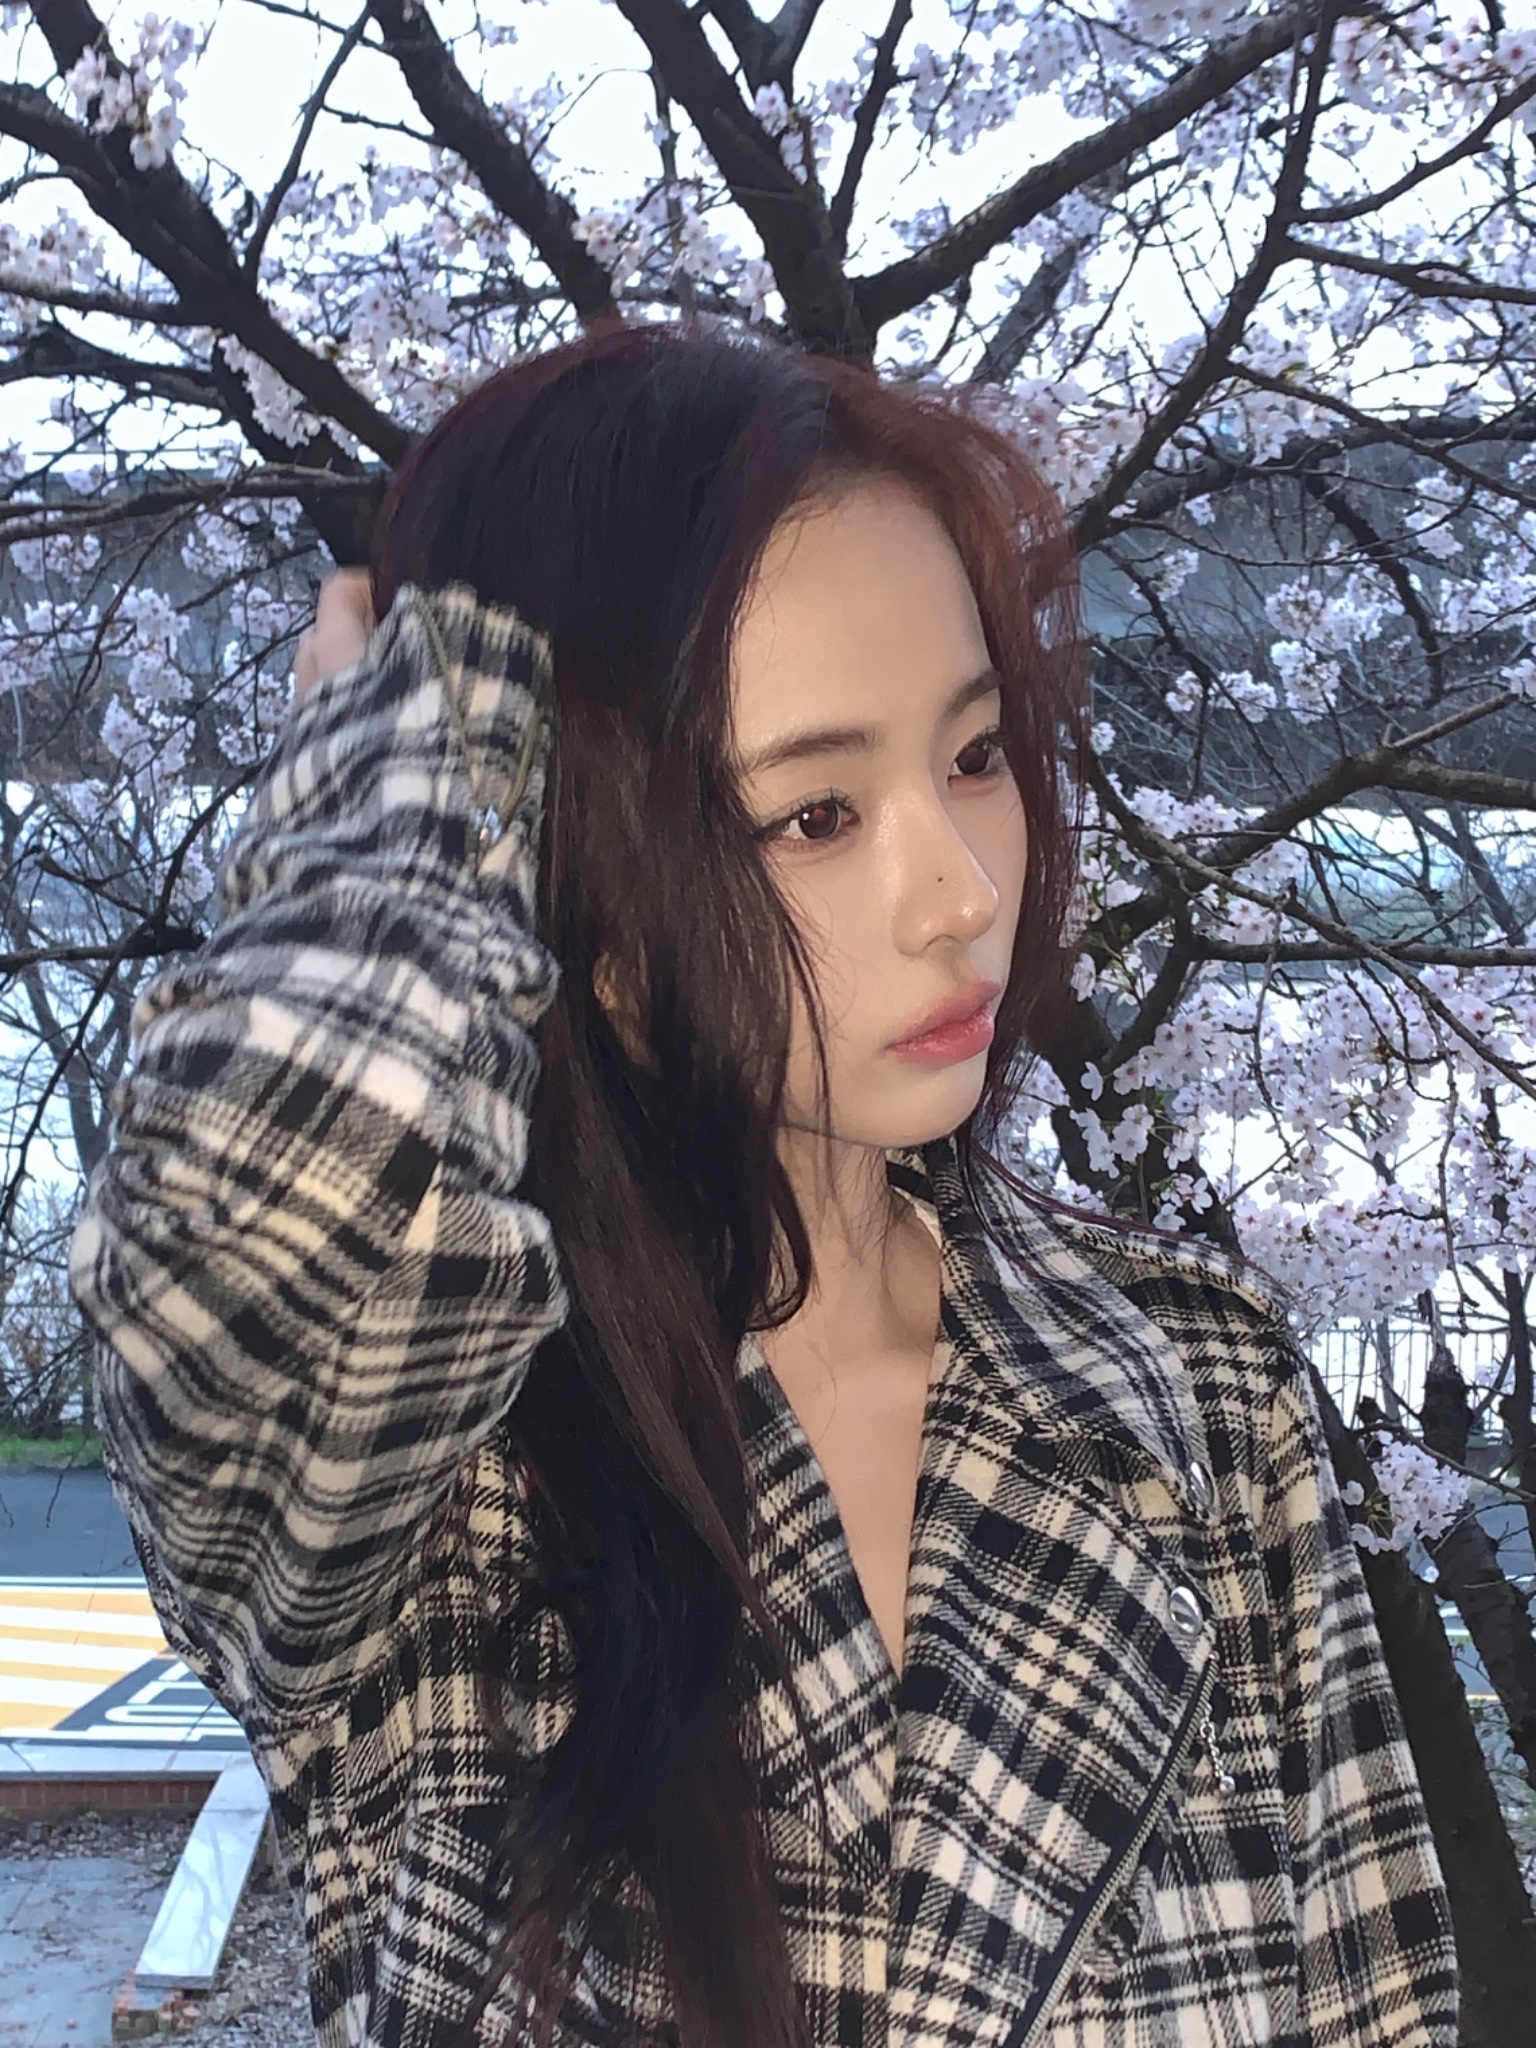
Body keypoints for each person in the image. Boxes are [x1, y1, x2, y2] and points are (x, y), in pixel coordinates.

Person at [69, 320, 1458, 2048]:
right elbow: (250, 1247)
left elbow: (1374, 2001)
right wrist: (383, 855)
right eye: (815, 816)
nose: (963, 893)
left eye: (973, 755)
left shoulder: (1204, 1394)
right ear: (585, 897)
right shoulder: (425, 1479)